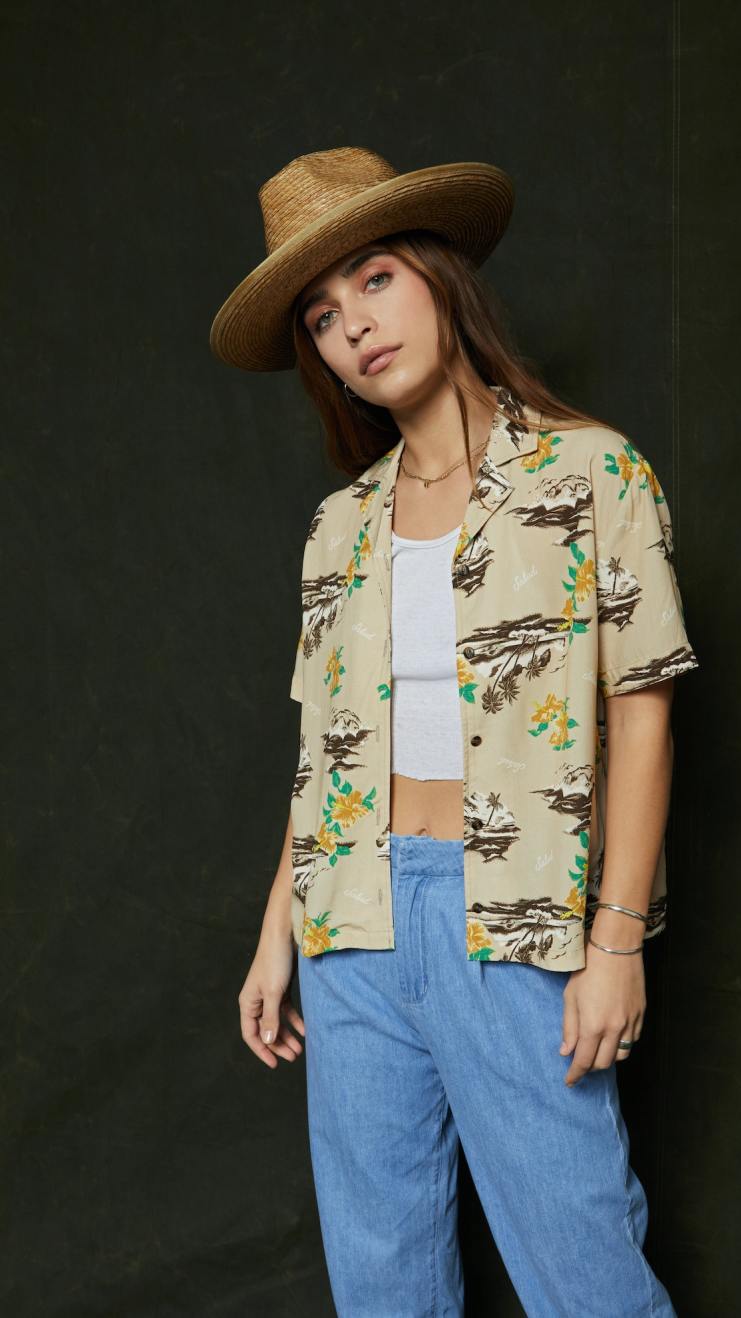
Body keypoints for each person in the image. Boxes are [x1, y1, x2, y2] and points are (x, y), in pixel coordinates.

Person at [211, 146, 699, 1316]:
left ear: (437, 275)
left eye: (375, 279)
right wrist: (277, 933)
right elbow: (325, 756)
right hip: (351, 926)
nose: (354, 327)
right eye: (322, 316)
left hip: (518, 918)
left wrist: (616, 942)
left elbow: (642, 716)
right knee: (382, 1283)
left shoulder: (591, 473)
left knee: (584, 1274)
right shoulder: (339, 527)